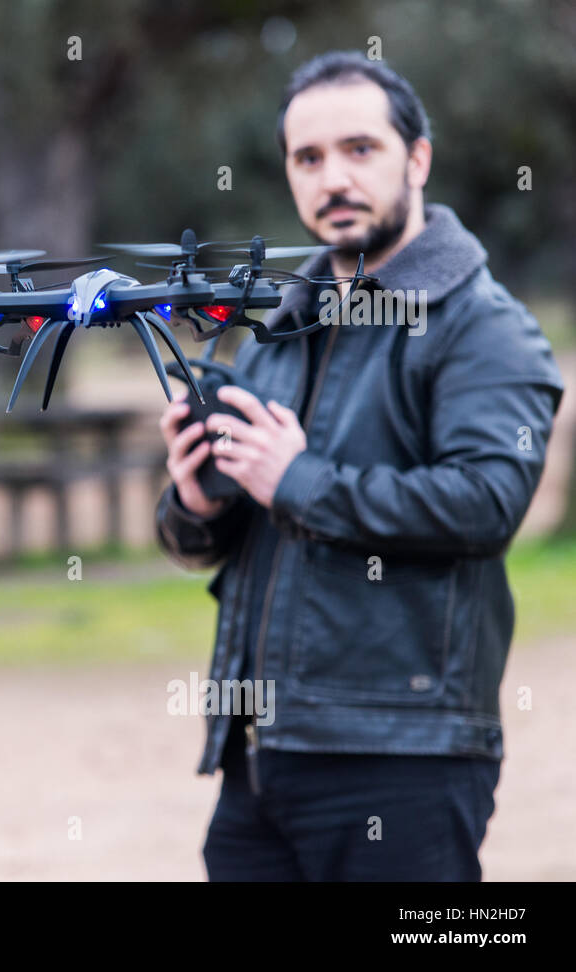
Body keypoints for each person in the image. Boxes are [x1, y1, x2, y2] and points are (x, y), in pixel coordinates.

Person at [154, 50, 565, 881]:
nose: (332, 177)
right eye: (308, 158)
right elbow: (237, 526)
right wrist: (196, 504)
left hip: (403, 758)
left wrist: (296, 479)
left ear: (417, 159)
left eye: (359, 149)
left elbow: (489, 502)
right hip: (260, 754)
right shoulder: (279, 327)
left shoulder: (484, 327)